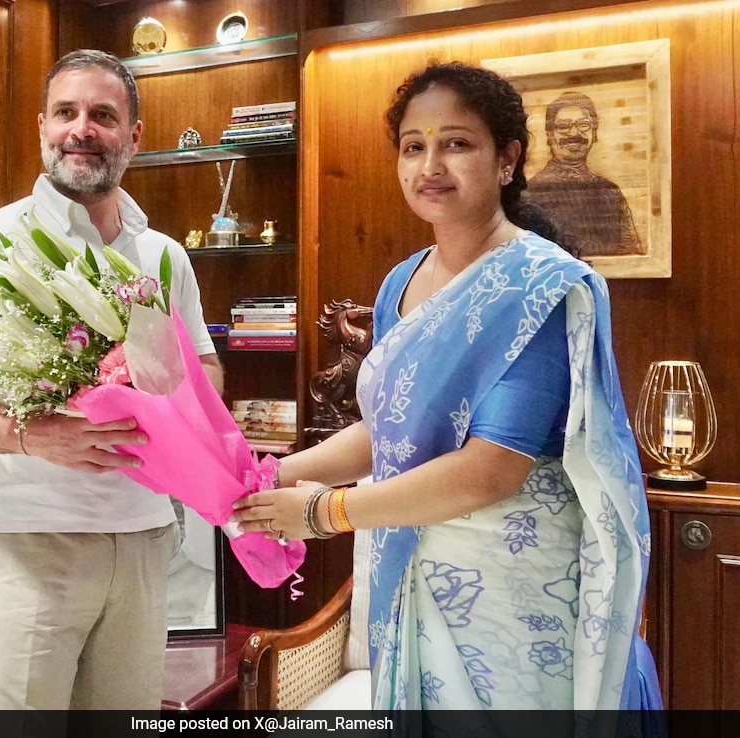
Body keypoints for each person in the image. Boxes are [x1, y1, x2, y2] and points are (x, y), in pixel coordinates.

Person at [232, 63, 661, 716]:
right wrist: (273, 474)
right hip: (415, 572)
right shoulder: (400, 282)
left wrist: (324, 512)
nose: (430, 163)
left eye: (456, 143)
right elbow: (388, 427)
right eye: (413, 146)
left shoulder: (539, 286)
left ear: (507, 159)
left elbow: (492, 469)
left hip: (514, 600)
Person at [0, 49, 223, 711]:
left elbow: (206, 369)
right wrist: (31, 435)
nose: (82, 128)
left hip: (142, 539)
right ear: (42, 126)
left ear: (133, 137)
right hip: (29, 541)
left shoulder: (163, 254)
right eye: (66, 112)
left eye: (103, 115)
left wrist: (159, 392)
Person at [525, 90, 642, 257]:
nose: (574, 133)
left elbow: (631, 255)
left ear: (594, 133)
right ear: (550, 135)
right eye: (564, 126)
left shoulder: (611, 193)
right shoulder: (530, 194)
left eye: (583, 124)